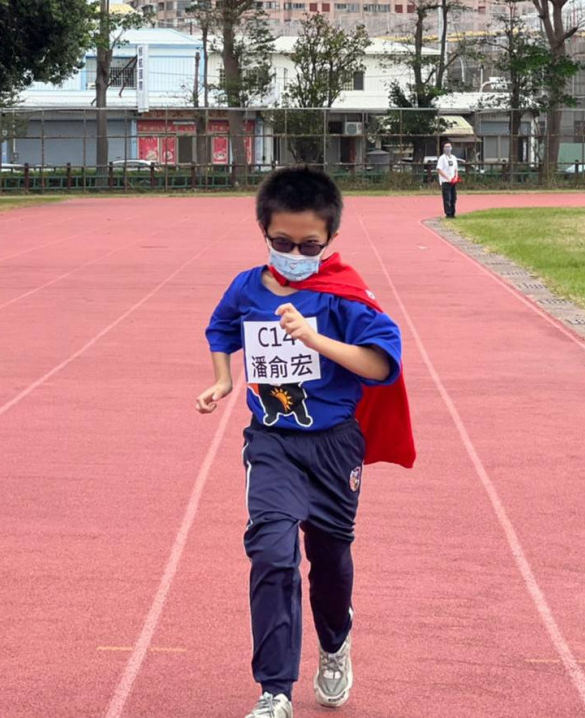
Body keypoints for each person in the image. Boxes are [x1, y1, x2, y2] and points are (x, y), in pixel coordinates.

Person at [197, 167, 414, 718]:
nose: (295, 252)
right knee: (272, 553)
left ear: (330, 239)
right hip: (271, 442)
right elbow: (221, 328)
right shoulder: (247, 286)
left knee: (330, 560)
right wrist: (224, 379)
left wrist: (316, 338)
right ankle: (275, 691)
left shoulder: (345, 294)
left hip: (334, 445)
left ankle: (335, 641)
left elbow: (382, 363)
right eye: (282, 242)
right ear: (263, 231)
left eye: (309, 245)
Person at [436, 142, 459, 218]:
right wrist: (447, 178)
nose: (448, 149)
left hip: (453, 181)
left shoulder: (453, 157)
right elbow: (439, 169)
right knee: (447, 198)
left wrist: (456, 177)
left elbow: (456, 169)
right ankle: (448, 213)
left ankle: (453, 213)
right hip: (446, 181)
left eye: (449, 147)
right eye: (446, 147)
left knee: (453, 197)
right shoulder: (442, 158)